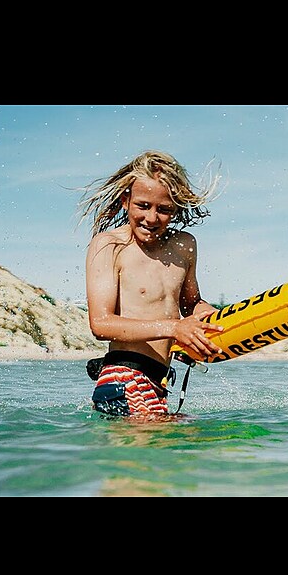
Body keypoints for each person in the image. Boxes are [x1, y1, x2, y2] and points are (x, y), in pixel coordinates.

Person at [77, 150, 225, 420]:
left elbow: (190, 303)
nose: (152, 218)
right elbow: (101, 324)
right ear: (126, 201)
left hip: (159, 383)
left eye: (164, 209)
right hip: (123, 377)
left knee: (177, 454)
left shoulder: (184, 245)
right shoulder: (109, 245)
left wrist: (206, 316)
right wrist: (174, 328)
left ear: (176, 209)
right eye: (143, 206)